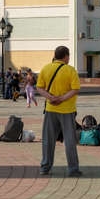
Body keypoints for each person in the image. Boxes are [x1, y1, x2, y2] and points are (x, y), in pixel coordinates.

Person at [36, 46, 82, 177]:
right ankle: (73, 169)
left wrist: (50, 97)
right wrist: (61, 98)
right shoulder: (70, 70)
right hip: (67, 110)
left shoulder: (46, 68)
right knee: (69, 140)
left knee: (48, 140)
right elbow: (75, 89)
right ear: (66, 56)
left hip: (50, 109)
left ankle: (45, 167)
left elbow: (39, 87)